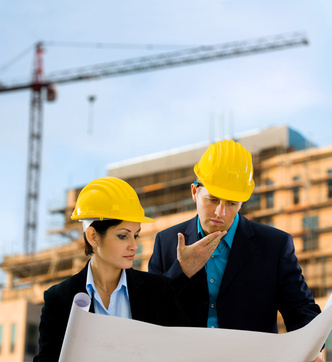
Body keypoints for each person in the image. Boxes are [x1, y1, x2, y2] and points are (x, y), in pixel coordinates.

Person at [148, 140, 324, 362]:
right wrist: (181, 272)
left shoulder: (274, 245)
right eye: (212, 199)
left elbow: (300, 308)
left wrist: (310, 348)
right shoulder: (166, 243)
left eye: (232, 203)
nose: (220, 212)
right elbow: (149, 316)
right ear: (194, 192)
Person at [34, 177, 188, 362]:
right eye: (123, 236)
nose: (133, 245)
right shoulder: (59, 299)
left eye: (136, 235)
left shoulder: (159, 291)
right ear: (93, 237)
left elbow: (182, 351)